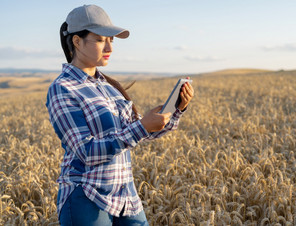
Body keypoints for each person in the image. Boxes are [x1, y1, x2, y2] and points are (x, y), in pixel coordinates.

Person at [45, 4, 194, 226]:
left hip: (125, 195)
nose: (110, 47)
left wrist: (175, 110)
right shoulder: (63, 88)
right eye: (100, 39)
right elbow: (86, 152)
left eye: (111, 40)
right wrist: (142, 126)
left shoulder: (109, 87)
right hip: (86, 197)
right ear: (77, 41)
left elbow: (141, 133)